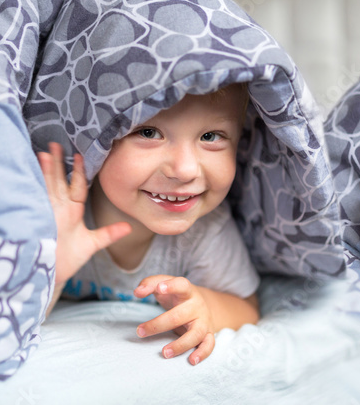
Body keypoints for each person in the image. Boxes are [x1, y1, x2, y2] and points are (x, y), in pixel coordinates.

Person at [36, 83, 260, 365]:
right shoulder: (58, 210)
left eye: (210, 136)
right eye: (149, 132)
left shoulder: (206, 229)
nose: (185, 170)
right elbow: (0, 321)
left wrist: (203, 306)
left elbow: (247, 308)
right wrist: (50, 275)